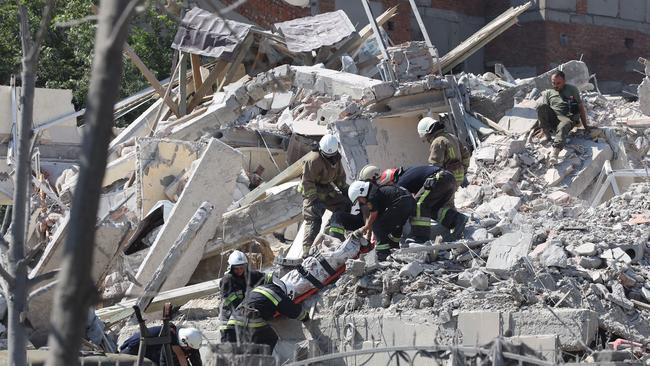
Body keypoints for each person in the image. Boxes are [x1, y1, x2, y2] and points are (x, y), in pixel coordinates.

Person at [379, 166, 467, 241]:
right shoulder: (408, 175)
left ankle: (421, 237)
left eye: (389, 185)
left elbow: (401, 205)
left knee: (418, 205)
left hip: (438, 179)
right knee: (431, 209)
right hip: (448, 179)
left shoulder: (402, 181)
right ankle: (457, 219)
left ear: (392, 178)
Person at [298, 134, 350, 257]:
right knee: (314, 219)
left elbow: (339, 178)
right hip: (311, 192)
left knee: (344, 204)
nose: (330, 158)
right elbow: (307, 182)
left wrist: (347, 191)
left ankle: (332, 234)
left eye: (332, 155)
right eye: (327, 156)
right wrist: (314, 200)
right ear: (321, 150)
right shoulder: (313, 160)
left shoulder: (336, 159)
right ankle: (307, 252)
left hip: (326, 190)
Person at [225, 277, 309, 352]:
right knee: (270, 338)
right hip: (249, 319)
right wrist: (305, 316)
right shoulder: (277, 293)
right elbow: (292, 310)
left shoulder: (260, 289)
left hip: (233, 321)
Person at [348, 180, 415, 261]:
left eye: (359, 199)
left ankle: (383, 252)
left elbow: (373, 215)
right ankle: (394, 245)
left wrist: (365, 228)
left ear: (362, 192)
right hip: (409, 201)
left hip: (401, 202)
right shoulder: (376, 191)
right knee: (396, 224)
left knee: (377, 225)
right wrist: (368, 236)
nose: (360, 202)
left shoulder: (371, 197)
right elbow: (378, 214)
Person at [219, 250, 272, 343]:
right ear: (231, 268)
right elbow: (229, 302)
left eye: (241, 268)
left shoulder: (250, 275)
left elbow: (266, 277)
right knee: (229, 346)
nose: (239, 271)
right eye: (236, 269)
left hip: (243, 316)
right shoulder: (227, 280)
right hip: (228, 318)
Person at [537, 70, 590, 162]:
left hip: (567, 118)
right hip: (554, 118)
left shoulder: (572, 89)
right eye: (553, 83)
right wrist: (542, 129)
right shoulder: (549, 93)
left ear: (564, 81)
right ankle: (547, 135)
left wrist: (585, 126)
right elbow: (544, 111)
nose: (555, 85)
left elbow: (580, 107)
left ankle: (555, 152)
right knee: (541, 106)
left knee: (564, 124)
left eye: (558, 83)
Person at [417, 117, 470, 189]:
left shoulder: (438, 142)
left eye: (426, 136)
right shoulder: (452, 137)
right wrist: (463, 172)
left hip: (448, 181)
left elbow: (435, 167)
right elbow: (466, 155)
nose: (426, 139)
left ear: (428, 132)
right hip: (460, 178)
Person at [120, 325, 202, 366]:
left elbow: (195, 359)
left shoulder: (190, 340)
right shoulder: (170, 339)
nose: (190, 350)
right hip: (132, 350)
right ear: (183, 342)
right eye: (188, 348)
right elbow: (164, 362)